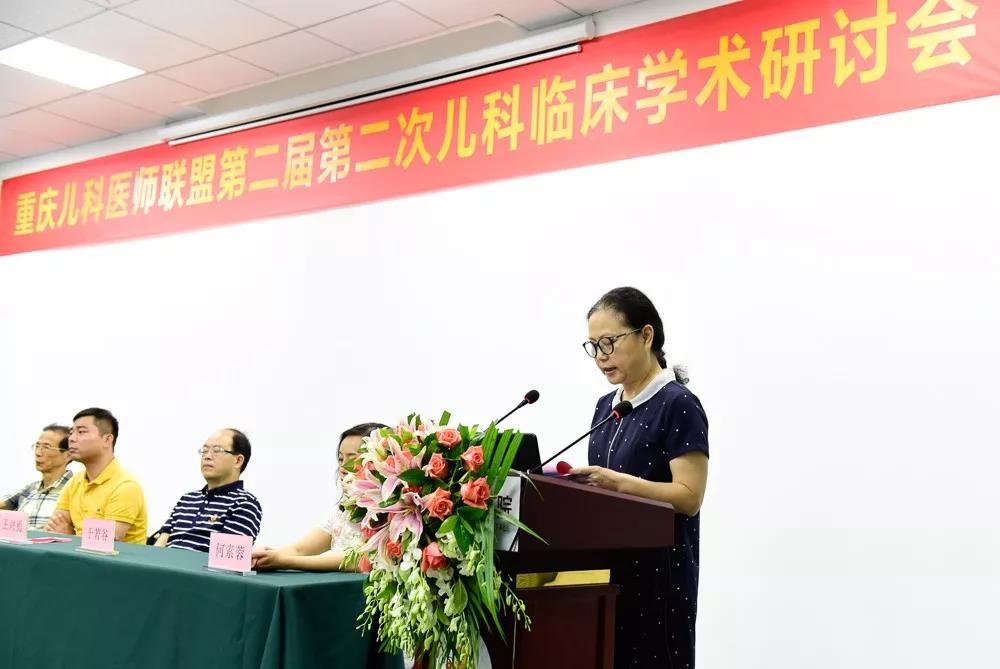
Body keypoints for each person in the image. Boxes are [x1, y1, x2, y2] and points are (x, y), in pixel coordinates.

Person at [571, 287, 709, 669]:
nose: (601, 356)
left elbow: (689, 496)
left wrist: (619, 484)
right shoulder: (606, 407)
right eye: (593, 346)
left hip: (660, 583)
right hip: (608, 580)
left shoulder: (678, 404)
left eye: (609, 343)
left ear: (646, 335)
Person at [252, 422, 387, 572]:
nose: (343, 467)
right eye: (341, 459)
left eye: (352, 458)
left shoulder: (390, 509)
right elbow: (299, 550)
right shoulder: (341, 511)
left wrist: (284, 561)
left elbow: (359, 561)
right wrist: (264, 556)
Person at [45, 408, 148, 544]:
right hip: (75, 553)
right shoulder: (75, 482)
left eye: (81, 432)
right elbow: (54, 528)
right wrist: (67, 535)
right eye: (71, 432)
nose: (71, 439)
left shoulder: (125, 486)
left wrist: (69, 536)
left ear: (107, 439)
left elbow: (103, 545)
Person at [154, 428, 262, 551]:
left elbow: (225, 558)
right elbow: (160, 546)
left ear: (238, 461)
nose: (207, 456)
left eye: (217, 450)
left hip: (199, 564)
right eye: (204, 450)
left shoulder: (245, 504)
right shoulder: (187, 499)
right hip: (165, 562)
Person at [0, 424, 74, 529]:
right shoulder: (29, 490)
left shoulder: (76, 490)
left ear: (68, 455)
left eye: (46, 447)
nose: (38, 453)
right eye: (37, 446)